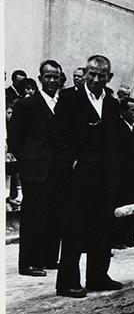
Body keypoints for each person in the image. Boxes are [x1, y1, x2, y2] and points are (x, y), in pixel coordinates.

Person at [52, 55, 123, 298]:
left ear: (108, 77)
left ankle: (98, 277)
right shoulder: (69, 98)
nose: (95, 79)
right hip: (77, 177)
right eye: (91, 74)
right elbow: (58, 136)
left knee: (102, 228)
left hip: (104, 177)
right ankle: (67, 282)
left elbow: (115, 141)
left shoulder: (113, 104)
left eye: (101, 75)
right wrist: (71, 162)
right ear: (84, 74)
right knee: (73, 229)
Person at [7, 60, 64, 276]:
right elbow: (15, 138)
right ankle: (28, 263)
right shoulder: (27, 104)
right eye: (47, 76)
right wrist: (26, 161)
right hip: (35, 170)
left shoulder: (63, 104)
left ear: (60, 79)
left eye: (55, 77)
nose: (51, 80)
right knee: (33, 216)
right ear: (40, 79)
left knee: (55, 214)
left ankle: (49, 258)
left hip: (58, 169)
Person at [111, 98, 134, 250]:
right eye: (132, 110)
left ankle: (131, 236)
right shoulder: (116, 127)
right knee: (120, 205)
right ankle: (117, 238)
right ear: (123, 112)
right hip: (121, 174)